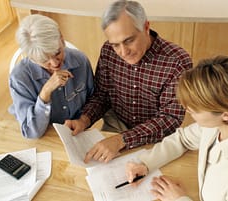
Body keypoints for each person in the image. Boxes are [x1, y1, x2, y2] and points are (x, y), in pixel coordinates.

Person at [126, 55, 228, 201]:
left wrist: (179, 199)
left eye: (195, 109)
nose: (187, 110)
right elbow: (183, 139)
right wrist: (146, 163)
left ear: (226, 115)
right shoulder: (221, 125)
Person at [64, 0, 192, 163]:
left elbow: (170, 118)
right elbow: (102, 95)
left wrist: (121, 140)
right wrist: (84, 119)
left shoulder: (177, 62)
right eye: (116, 44)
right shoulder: (108, 51)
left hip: (156, 136)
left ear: (146, 27)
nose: (123, 52)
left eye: (129, 40)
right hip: (115, 124)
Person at [9, 14, 94, 138]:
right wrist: (45, 93)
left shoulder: (80, 60)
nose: (55, 63)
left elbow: (94, 100)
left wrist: (83, 121)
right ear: (31, 58)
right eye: (44, 60)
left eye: (57, 52)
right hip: (44, 136)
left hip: (77, 133)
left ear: (62, 39)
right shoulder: (19, 77)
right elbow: (31, 133)